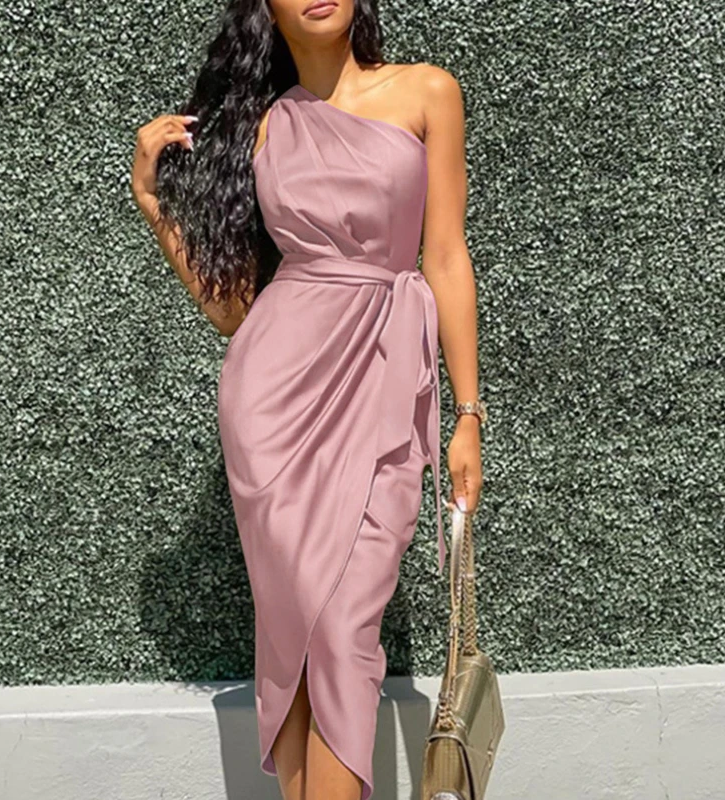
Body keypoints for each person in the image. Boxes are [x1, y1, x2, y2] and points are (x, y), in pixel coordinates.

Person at [130, 1, 484, 798]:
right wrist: (156, 207)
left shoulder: (428, 92)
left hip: (385, 381)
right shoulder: (261, 126)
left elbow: (446, 257)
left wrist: (467, 414)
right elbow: (233, 311)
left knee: (345, 624)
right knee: (294, 632)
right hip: (275, 403)